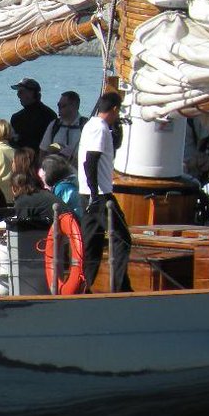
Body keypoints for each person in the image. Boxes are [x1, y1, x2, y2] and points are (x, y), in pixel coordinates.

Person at [77, 90, 132, 292]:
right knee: (122, 239)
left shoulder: (90, 124)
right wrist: (94, 191)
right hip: (99, 194)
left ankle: (85, 285)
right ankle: (120, 287)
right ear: (114, 109)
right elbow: (91, 160)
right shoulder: (99, 128)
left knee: (92, 242)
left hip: (88, 192)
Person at [9, 77, 58, 154]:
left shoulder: (17, 118)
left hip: (25, 161)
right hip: (40, 161)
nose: (18, 95)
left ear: (31, 93)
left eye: (21, 92)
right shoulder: (50, 114)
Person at [38, 90, 87, 160]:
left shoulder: (85, 126)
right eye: (58, 105)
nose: (59, 108)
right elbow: (43, 150)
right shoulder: (54, 125)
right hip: (55, 169)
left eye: (62, 106)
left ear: (74, 106)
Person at [41, 153, 81, 217]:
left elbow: (59, 211)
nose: (42, 173)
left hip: (75, 222)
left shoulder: (62, 188)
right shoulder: (67, 182)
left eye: (43, 170)